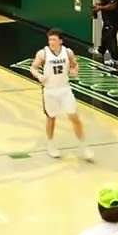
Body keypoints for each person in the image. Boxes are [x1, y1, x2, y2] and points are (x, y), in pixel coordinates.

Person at [29, 29, 92, 161]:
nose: (51, 42)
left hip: (64, 89)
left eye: (54, 39)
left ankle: (83, 147)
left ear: (60, 41)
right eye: (49, 39)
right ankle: (51, 145)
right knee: (51, 118)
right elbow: (33, 68)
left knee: (73, 116)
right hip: (50, 90)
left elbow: (75, 65)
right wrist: (39, 75)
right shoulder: (43, 53)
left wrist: (75, 71)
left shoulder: (68, 52)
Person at [92, 0, 118, 68]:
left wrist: (100, 7)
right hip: (107, 19)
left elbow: (113, 6)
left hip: (113, 20)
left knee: (110, 38)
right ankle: (101, 51)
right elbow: (104, 3)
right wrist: (97, 5)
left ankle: (115, 59)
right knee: (105, 35)